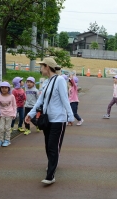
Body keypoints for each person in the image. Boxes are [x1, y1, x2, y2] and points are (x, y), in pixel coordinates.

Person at [25, 57, 74, 185]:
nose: (40, 69)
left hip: (58, 119)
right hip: (48, 119)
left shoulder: (59, 80)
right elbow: (40, 100)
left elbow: (65, 98)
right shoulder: (47, 82)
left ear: (47, 67)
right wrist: (30, 114)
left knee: (53, 146)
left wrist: (70, 115)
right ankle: (52, 164)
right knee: (48, 146)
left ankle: (50, 175)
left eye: (42, 66)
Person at [0, 82, 17, 147]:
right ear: (0, 88)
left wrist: (14, 114)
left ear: (8, 88)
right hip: (2, 114)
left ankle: (7, 140)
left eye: (5, 88)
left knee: (7, 128)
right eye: (2, 88)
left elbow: (14, 105)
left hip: (9, 114)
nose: (4, 89)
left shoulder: (12, 96)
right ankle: (0, 140)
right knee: (1, 128)